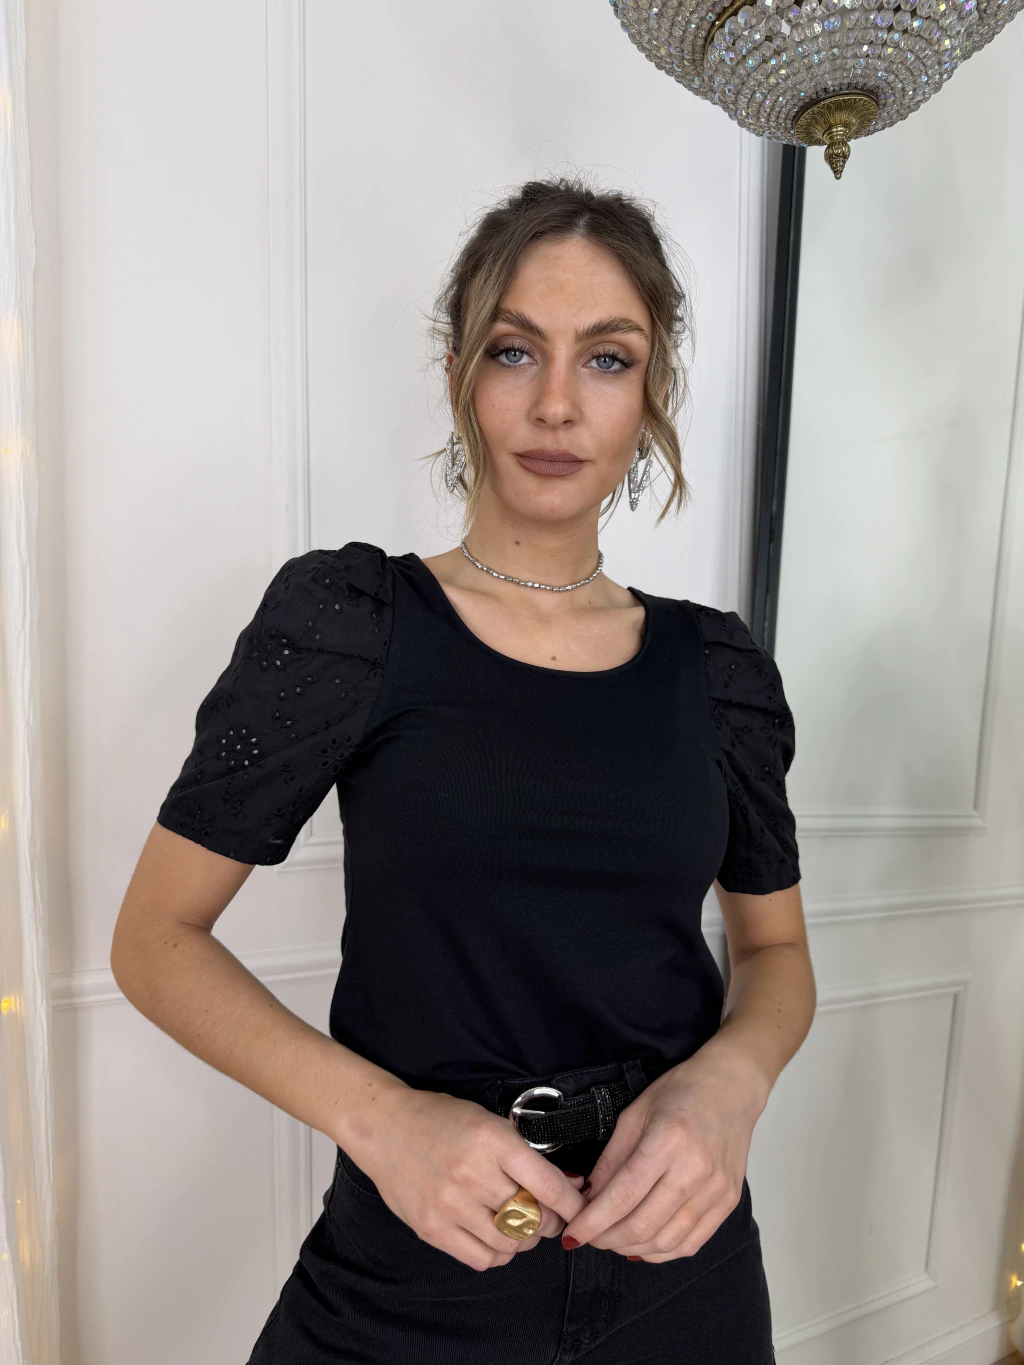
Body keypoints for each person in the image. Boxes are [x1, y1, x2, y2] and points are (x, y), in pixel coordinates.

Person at [111, 175, 815, 1364]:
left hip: (680, 1268)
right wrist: (382, 1122)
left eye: (606, 359)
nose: (555, 403)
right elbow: (155, 941)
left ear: (650, 395)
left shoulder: (720, 670)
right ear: (458, 375)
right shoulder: (350, 623)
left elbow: (776, 952)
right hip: (415, 1270)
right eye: (513, 351)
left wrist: (731, 1085)